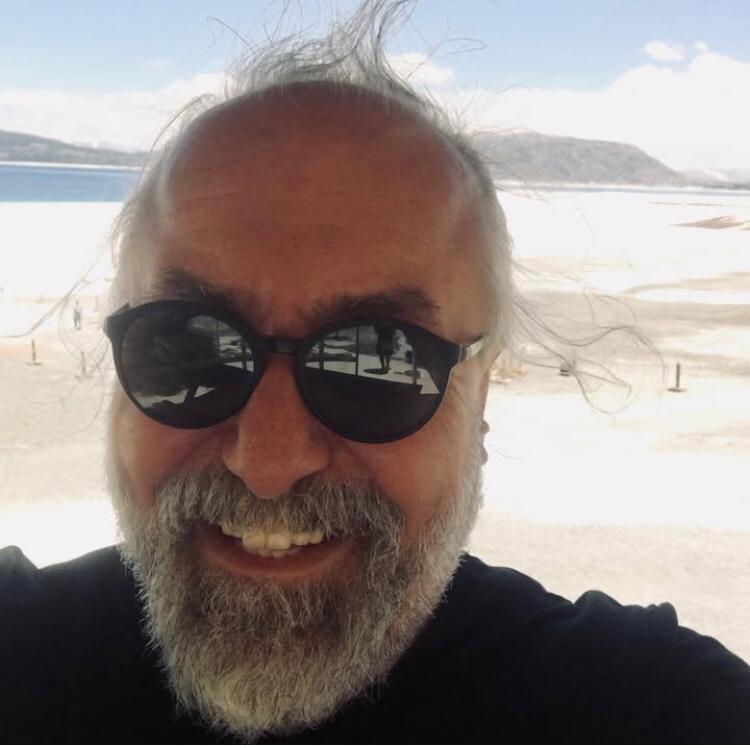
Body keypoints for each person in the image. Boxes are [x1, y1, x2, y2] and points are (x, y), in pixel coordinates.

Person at [1, 3, 749, 743]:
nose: (268, 464)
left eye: (380, 364)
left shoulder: (645, 708)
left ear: (481, 393)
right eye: (187, 347)